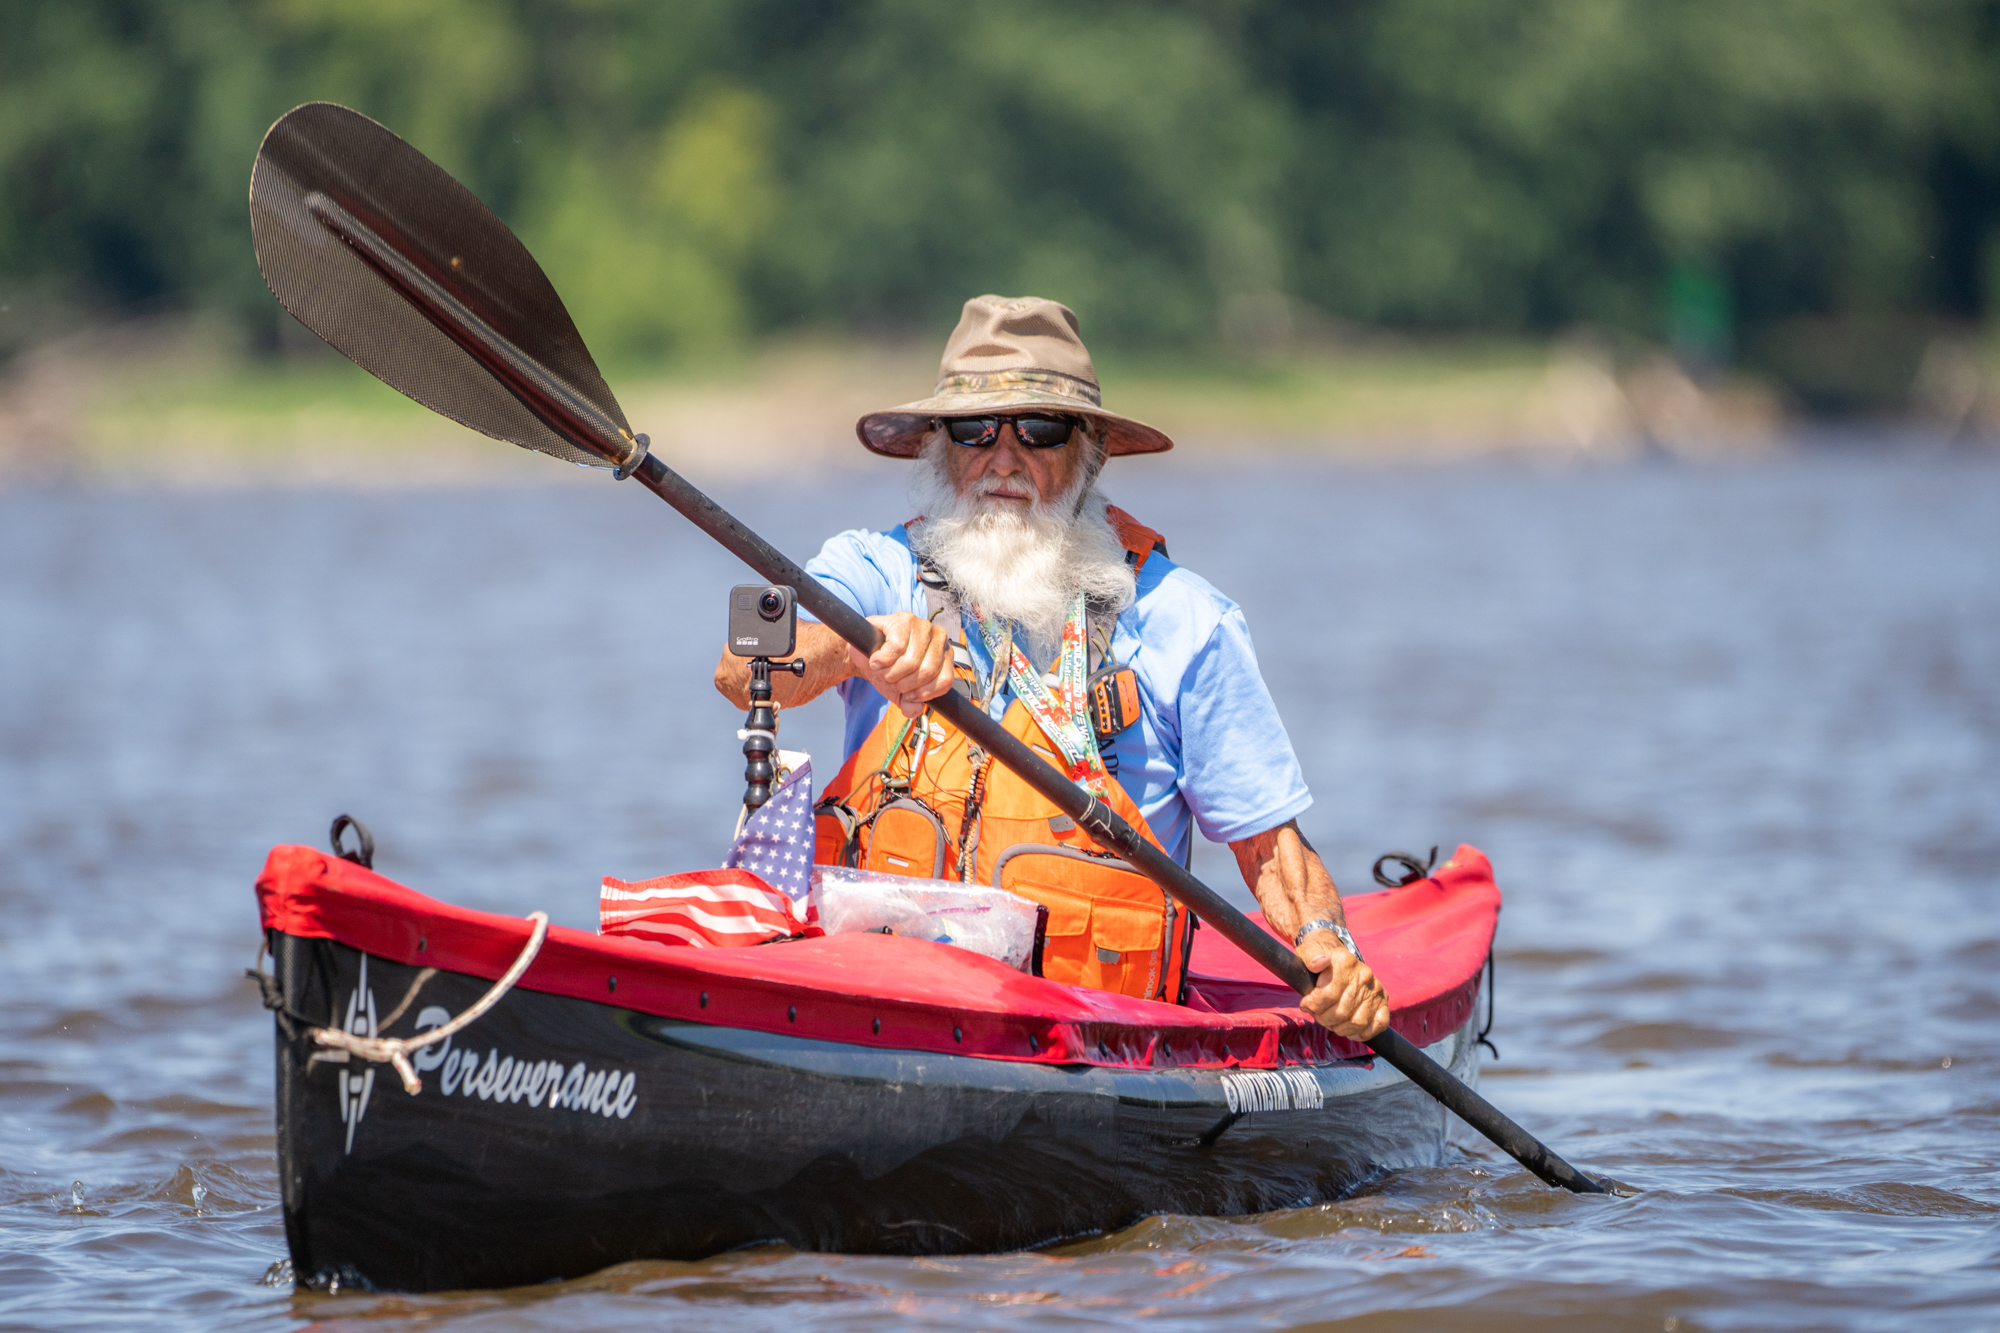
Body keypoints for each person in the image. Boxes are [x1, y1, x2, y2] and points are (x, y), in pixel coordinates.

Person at [715, 295, 1388, 1041]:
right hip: (881, 1012)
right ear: (939, 446)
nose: (1004, 457)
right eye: (976, 429)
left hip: (1094, 1036)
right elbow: (743, 671)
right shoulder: (872, 570)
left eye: (1039, 429)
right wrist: (860, 644)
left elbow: (1272, 850)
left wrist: (1330, 945)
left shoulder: (1184, 620)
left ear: (1090, 449)